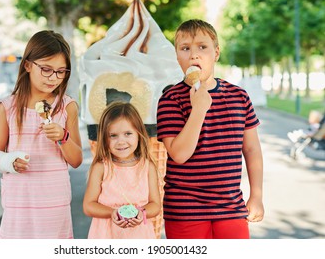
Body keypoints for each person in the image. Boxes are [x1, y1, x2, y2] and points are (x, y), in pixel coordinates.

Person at [156, 19, 264, 239]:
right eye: (185, 49)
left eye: (202, 47)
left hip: (231, 207)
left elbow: (252, 150)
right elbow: (179, 154)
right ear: (177, 57)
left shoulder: (239, 96)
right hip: (185, 211)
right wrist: (199, 110)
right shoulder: (170, 99)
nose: (194, 55)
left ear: (216, 53)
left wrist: (256, 196)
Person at [0, 30, 83, 239]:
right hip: (18, 204)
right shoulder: (8, 107)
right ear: (28, 65)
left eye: (61, 71)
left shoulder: (67, 106)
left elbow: (76, 160)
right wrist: (8, 162)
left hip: (54, 204)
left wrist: (63, 137)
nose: (53, 78)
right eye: (47, 69)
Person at [83, 102, 161, 239]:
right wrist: (111, 212)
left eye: (128, 133)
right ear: (104, 138)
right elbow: (88, 206)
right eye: (113, 135)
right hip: (106, 235)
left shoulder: (147, 167)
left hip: (139, 235)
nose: (121, 141)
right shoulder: (101, 167)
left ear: (139, 134)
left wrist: (141, 212)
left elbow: (155, 205)